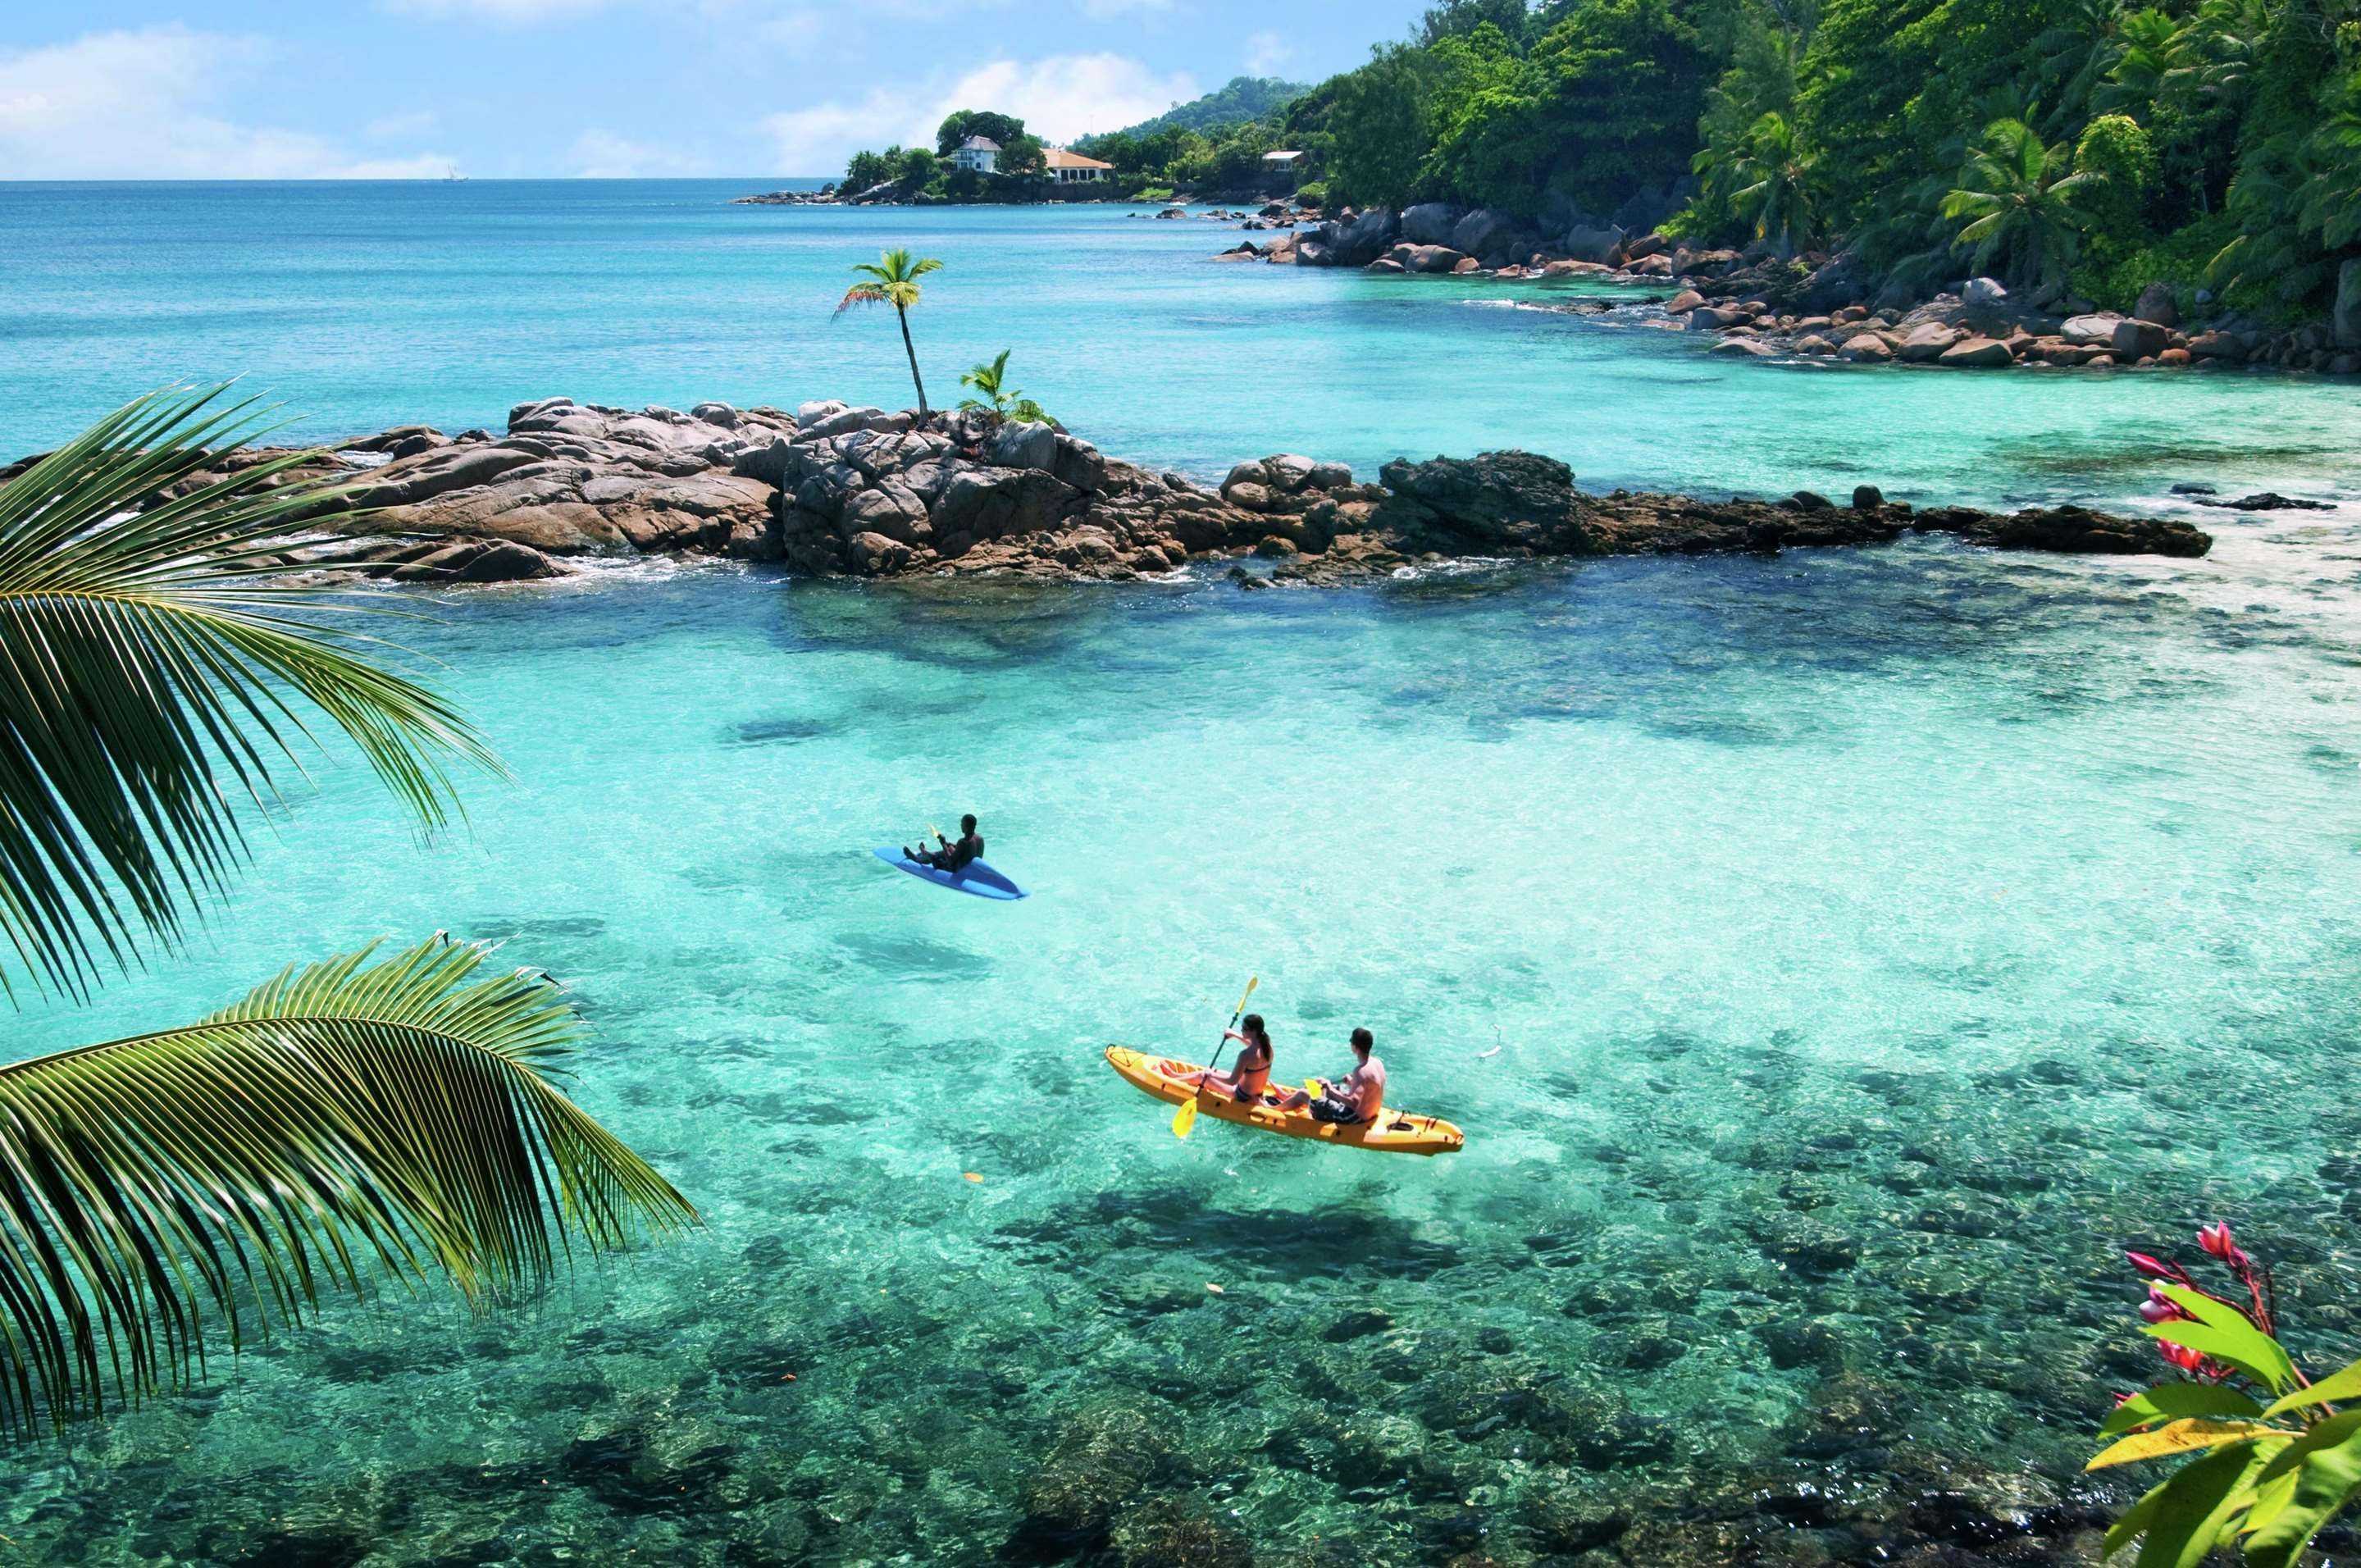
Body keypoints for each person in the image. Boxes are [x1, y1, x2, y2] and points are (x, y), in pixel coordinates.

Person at [1281, 1028, 1386, 1126]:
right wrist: (1351, 1082)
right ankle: (1288, 1097)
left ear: (1355, 1046)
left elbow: (1353, 1103)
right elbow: (1368, 1088)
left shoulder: (1360, 1071)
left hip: (1353, 1118)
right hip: (1370, 1113)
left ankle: (1275, 1109)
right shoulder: (1377, 1063)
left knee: (1303, 1094)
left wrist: (1330, 1088)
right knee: (1320, 1081)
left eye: (1351, 1041)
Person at [1202, 1014, 1274, 1103]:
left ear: (1253, 1031)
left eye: (1244, 1028)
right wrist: (1234, 1034)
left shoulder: (1245, 1055)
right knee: (1214, 1071)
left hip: (1242, 1096)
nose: (1241, 1030)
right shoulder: (1268, 1047)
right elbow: (1253, 1045)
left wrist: (1210, 1074)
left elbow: (1232, 1081)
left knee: (1202, 1075)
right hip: (1257, 1094)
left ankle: (1182, 1082)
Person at [906, 814, 982, 873]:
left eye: (962, 823)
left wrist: (943, 844)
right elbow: (967, 851)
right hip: (969, 869)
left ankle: (917, 858)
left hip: (956, 870)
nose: (961, 825)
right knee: (950, 848)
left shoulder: (963, 842)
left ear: (966, 826)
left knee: (933, 857)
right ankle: (925, 853)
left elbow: (950, 862)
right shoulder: (979, 839)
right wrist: (950, 845)